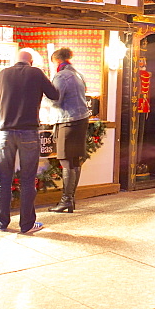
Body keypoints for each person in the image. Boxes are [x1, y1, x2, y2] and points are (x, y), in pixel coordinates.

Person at [0, 49, 59, 234]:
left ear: (15, 60)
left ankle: (0, 222)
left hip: (5, 132)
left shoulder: (3, 73)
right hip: (28, 132)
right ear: (31, 61)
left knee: (3, 179)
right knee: (28, 180)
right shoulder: (36, 73)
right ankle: (27, 224)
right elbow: (55, 94)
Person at [48, 47, 91, 213]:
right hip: (81, 119)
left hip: (68, 120)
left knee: (66, 160)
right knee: (74, 160)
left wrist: (43, 97)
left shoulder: (61, 75)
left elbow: (55, 100)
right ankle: (70, 200)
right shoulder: (78, 74)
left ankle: (66, 200)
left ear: (57, 61)